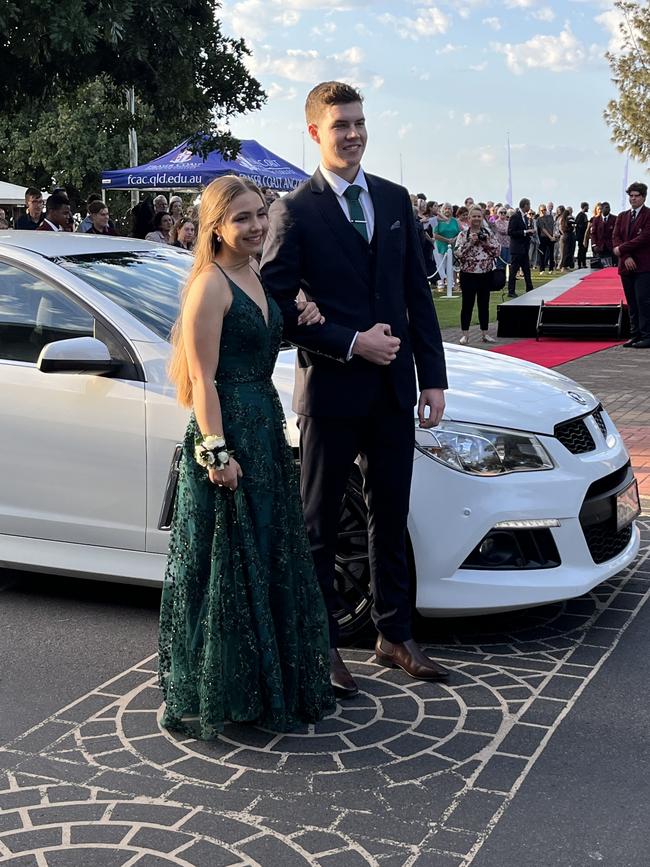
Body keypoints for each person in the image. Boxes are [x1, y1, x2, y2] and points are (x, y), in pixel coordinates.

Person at [261, 80, 450, 698]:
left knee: (390, 515)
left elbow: (416, 296)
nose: (353, 133)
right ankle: (322, 646)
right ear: (315, 132)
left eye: (360, 121)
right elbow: (277, 309)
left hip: (395, 389)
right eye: (340, 124)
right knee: (319, 525)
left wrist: (434, 377)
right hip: (333, 391)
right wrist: (348, 341)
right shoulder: (294, 210)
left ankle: (395, 634)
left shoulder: (395, 201)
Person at [160, 175, 334, 737]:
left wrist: (301, 307)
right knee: (224, 571)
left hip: (264, 429)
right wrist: (215, 452)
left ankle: (262, 687)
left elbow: (261, 334)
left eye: (261, 214)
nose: (256, 225)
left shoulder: (256, 272)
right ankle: (224, 691)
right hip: (229, 432)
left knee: (264, 555)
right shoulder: (209, 286)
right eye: (242, 218)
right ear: (216, 226)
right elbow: (202, 380)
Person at [454, 206, 501, 345]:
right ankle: (465, 335)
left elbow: (496, 251)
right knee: (467, 304)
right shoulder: (463, 235)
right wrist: (470, 242)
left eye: (479, 216)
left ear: (482, 218)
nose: (476, 219)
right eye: (473, 216)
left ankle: (485, 333)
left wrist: (485, 243)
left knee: (484, 304)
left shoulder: (488, 233)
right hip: (468, 274)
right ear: (469, 218)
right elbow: (458, 253)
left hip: (485, 273)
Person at [613, 182, 650, 348]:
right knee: (632, 302)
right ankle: (634, 334)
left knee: (643, 300)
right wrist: (625, 255)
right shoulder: (622, 216)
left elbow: (644, 238)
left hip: (644, 266)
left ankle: (647, 335)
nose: (633, 199)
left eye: (636, 196)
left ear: (643, 197)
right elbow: (616, 236)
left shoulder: (648, 215)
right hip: (626, 265)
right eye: (631, 196)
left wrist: (621, 249)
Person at [507, 197, 535, 296]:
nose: (530, 207)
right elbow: (510, 232)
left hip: (524, 248)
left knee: (527, 269)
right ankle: (511, 291)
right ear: (525, 205)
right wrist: (525, 232)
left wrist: (529, 233)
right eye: (529, 205)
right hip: (517, 248)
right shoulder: (515, 216)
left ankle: (529, 287)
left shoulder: (525, 218)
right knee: (514, 271)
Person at [434, 203, 460, 291]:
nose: (447, 210)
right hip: (441, 245)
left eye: (449, 208)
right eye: (445, 208)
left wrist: (454, 239)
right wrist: (446, 240)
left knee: (451, 265)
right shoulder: (438, 220)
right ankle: (440, 282)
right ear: (442, 210)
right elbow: (435, 234)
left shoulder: (455, 221)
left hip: (452, 245)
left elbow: (459, 232)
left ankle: (451, 282)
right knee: (441, 264)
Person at [590, 202, 617, 267]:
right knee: (600, 267)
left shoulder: (615, 218)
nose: (608, 209)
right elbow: (593, 233)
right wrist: (594, 245)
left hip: (611, 247)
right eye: (606, 207)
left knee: (611, 266)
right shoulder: (596, 220)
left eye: (609, 208)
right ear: (601, 209)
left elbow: (617, 233)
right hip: (600, 247)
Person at [536, 204, 555, 273]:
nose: (543, 211)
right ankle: (542, 269)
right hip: (543, 237)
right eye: (542, 210)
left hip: (551, 237)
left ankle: (551, 269)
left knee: (551, 253)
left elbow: (553, 226)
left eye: (544, 210)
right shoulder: (539, 219)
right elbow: (543, 229)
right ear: (539, 211)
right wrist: (550, 237)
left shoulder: (550, 217)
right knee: (542, 254)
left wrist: (554, 235)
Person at [575, 202, 589, 269]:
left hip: (584, 236)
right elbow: (579, 226)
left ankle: (583, 263)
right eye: (587, 207)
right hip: (582, 236)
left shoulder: (583, 215)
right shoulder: (580, 215)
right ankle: (580, 264)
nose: (588, 208)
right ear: (584, 207)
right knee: (581, 250)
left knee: (584, 250)